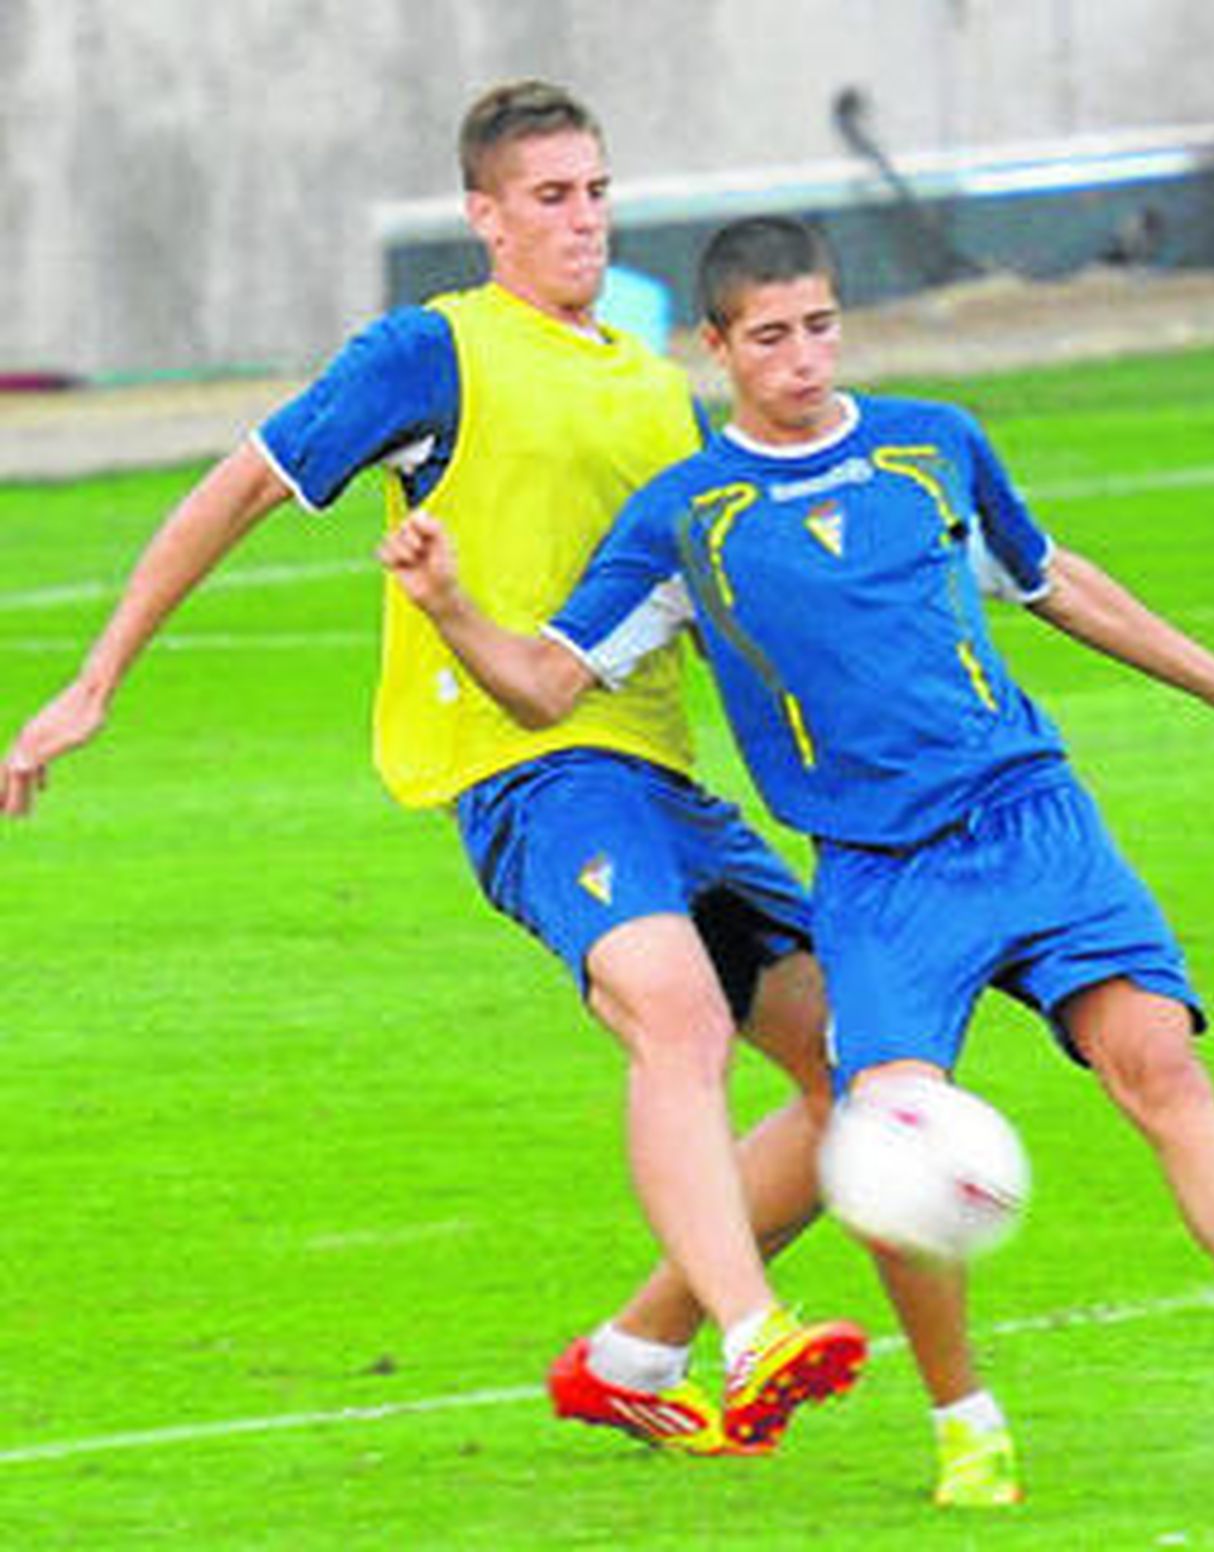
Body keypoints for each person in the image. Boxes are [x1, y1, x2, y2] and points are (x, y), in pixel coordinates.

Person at [378, 215, 1214, 1507]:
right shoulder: (687, 519)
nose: (803, 360)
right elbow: (549, 686)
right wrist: (451, 607)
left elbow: (1050, 576)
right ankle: (968, 1424)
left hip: (1033, 820)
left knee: (1156, 1059)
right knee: (886, 1136)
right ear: (719, 348)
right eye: (772, 337)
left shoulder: (933, 446)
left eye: (822, 327)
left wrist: (1213, 675)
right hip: (882, 876)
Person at [0, 83, 868, 1455]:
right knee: (678, 1017)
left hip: (661, 778)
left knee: (861, 1076)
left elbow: (704, 608)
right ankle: (757, 1334)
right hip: (530, 775)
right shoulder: (431, 354)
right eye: (548, 197)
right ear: (484, 217)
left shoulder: (652, 384)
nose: (581, 219)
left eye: (593, 191)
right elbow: (238, 485)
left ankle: (640, 1348)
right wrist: (96, 680)